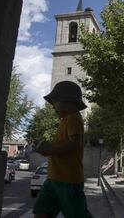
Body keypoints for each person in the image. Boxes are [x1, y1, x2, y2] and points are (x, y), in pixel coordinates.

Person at [33, 81, 92, 218]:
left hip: (68, 180)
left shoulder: (73, 119)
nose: (53, 106)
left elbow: (74, 144)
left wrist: (50, 149)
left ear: (70, 102)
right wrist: (47, 147)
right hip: (54, 178)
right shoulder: (66, 120)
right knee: (41, 212)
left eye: (55, 102)